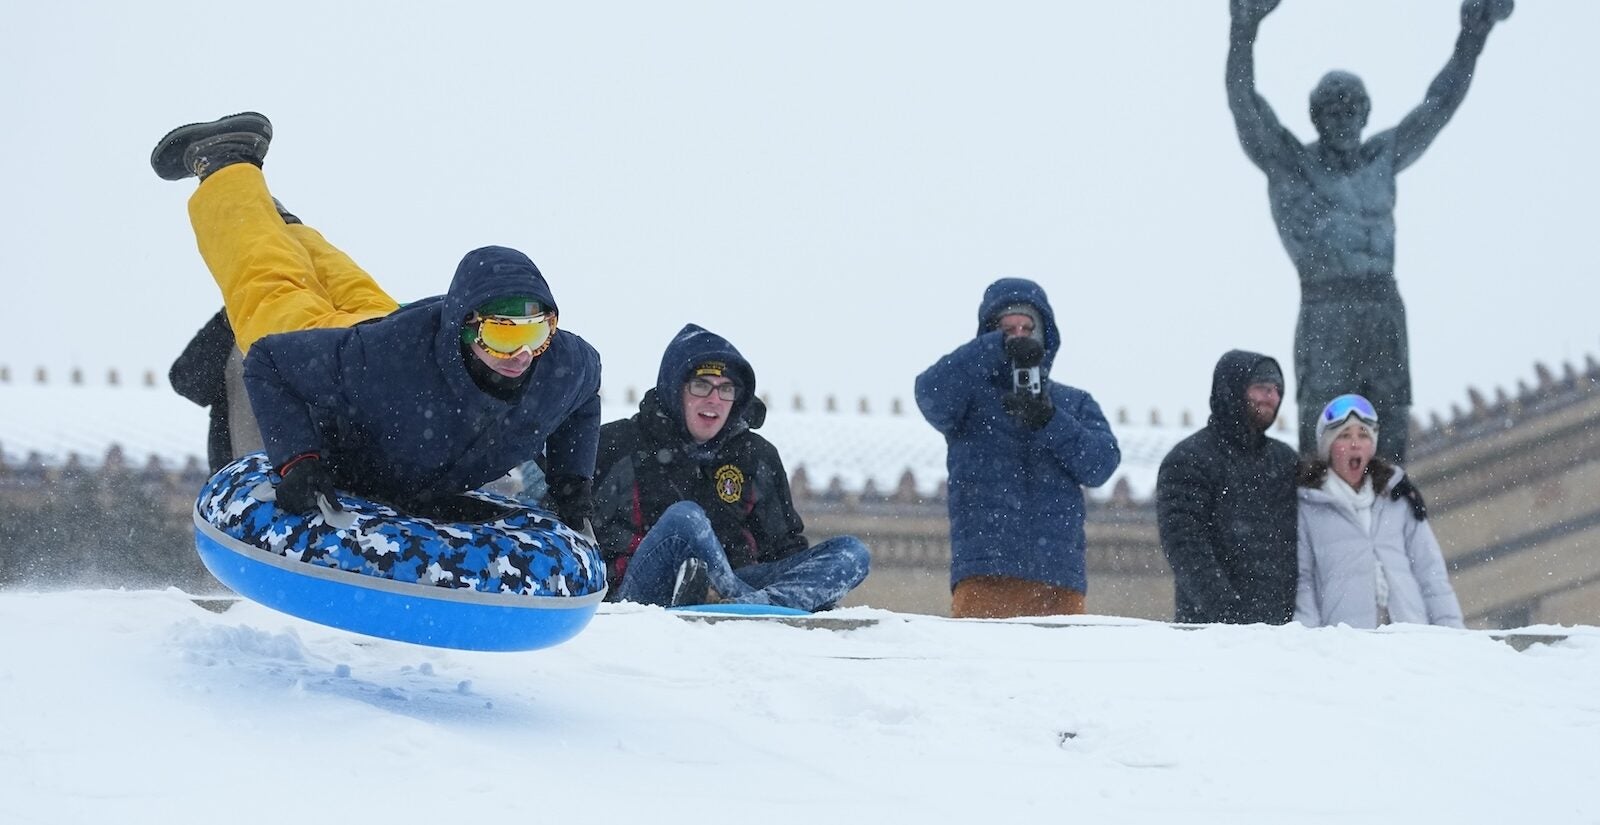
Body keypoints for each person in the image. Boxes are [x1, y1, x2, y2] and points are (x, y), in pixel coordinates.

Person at [151, 112, 601, 527]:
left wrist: (571, 482)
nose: (522, 354)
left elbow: (584, 398)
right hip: (343, 355)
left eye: (536, 333)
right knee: (268, 281)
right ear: (465, 327)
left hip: (388, 328)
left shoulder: (566, 366)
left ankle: (279, 218)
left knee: (339, 277)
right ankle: (226, 161)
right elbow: (268, 361)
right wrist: (297, 462)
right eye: (502, 336)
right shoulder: (383, 364)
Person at [1226, 0, 1514, 464]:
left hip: (1382, 305)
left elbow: (1438, 104)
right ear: (1317, 118)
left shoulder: (1382, 158)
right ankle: (1321, 520)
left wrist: (1472, 37)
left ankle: (1393, 521)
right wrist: (1243, 32)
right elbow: (1247, 108)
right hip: (1327, 304)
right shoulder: (1293, 166)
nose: (1343, 120)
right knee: (1324, 430)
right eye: (1332, 112)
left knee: (1390, 425)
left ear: (1364, 115)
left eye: (1351, 111)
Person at [590, 324, 869, 610]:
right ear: (675, 390)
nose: (714, 399)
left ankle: (754, 605)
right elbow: (581, 529)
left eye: (726, 389)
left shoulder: (756, 456)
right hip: (643, 593)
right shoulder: (617, 444)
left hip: (741, 582)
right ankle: (745, 604)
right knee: (685, 519)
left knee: (852, 553)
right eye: (701, 385)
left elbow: (784, 547)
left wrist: (805, 584)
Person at [914, 278, 1121, 618]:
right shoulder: (970, 401)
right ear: (989, 333)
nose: (1019, 335)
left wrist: (1049, 419)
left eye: (1028, 328)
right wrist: (993, 348)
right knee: (980, 670)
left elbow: (1101, 465)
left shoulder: (1073, 403)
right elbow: (929, 394)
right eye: (1008, 328)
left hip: (1058, 579)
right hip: (985, 573)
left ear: (1044, 336)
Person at [1295, 394, 1464, 628]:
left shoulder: (1397, 496)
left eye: (1363, 435)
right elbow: (1303, 583)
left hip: (1410, 637)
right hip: (1348, 643)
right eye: (1344, 436)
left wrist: (1453, 634)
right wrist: (1311, 641)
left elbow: (1430, 572)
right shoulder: (1310, 507)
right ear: (1329, 448)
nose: (1355, 444)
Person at [1156, 350, 1298, 624]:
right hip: (1211, 634)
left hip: (1283, 634)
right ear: (1231, 390)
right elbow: (1185, 546)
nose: (1272, 397)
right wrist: (1229, 613)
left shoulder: (1285, 462)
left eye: (1277, 390)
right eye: (1261, 388)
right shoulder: (1188, 460)